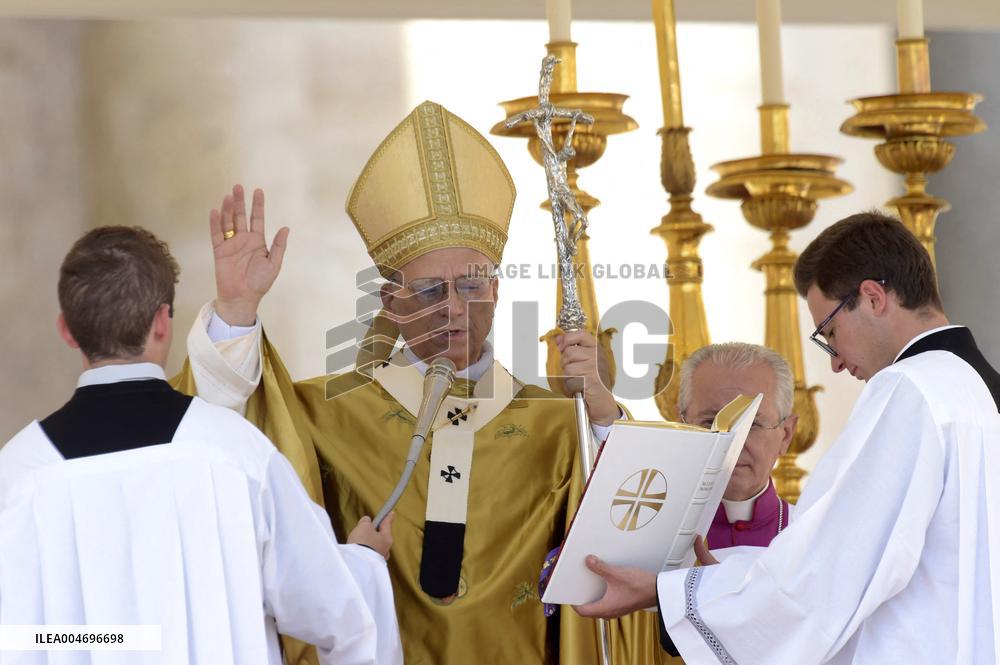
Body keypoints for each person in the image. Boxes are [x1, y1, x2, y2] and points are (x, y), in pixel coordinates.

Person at [177, 100, 645, 665]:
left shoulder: (556, 422)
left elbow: (630, 533)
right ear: (389, 303)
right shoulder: (325, 415)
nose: (452, 308)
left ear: (496, 291)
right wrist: (236, 310)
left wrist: (600, 415)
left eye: (471, 286)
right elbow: (223, 437)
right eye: (427, 292)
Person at [574, 211, 1000, 664]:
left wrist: (668, 593)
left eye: (830, 332)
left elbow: (825, 575)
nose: (836, 362)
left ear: (873, 297)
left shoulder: (909, 388)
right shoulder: (979, 389)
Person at [0, 226, 403, 665]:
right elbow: (340, 617)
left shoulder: (16, 477)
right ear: (161, 321)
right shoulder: (236, 455)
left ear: (67, 330)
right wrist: (364, 562)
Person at [678, 342, 796, 549]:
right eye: (710, 422)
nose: (732, 443)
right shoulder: (650, 537)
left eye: (752, 424)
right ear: (684, 428)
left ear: (785, 435)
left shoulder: (813, 536)